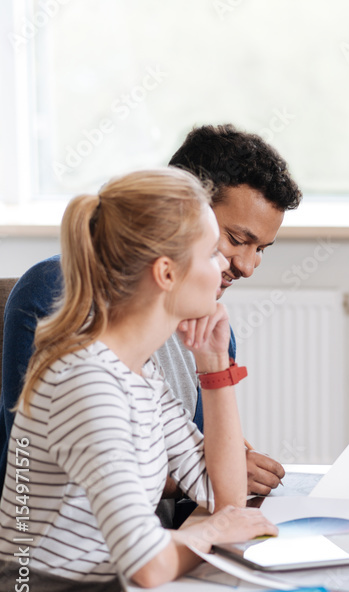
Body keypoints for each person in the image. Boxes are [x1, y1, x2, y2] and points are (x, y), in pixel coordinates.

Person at [0, 168, 279, 592]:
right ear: (167, 273)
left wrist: (214, 368)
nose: (227, 269)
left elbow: (224, 495)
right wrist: (214, 532)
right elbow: (153, 563)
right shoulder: (86, 382)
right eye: (212, 253)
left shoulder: (139, 373)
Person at [1, 124, 303, 496]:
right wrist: (207, 482)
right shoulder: (57, 293)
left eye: (261, 249)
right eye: (236, 240)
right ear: (181, 210)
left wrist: (228, 465)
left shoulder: (193, 340)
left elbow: (204, 463)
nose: (246, 266)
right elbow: (48, 469)